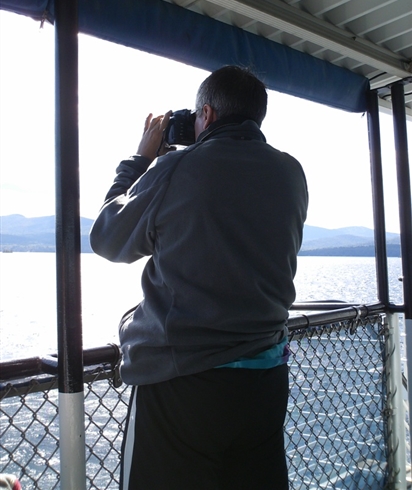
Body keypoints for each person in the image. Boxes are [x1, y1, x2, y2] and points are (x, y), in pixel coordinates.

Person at [90, 65, 308, 489]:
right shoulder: (291, 172)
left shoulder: (176, 168)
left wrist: (139, 161)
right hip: (265, 381)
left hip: (185, 385)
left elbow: (107, 238)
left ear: (204, 114)